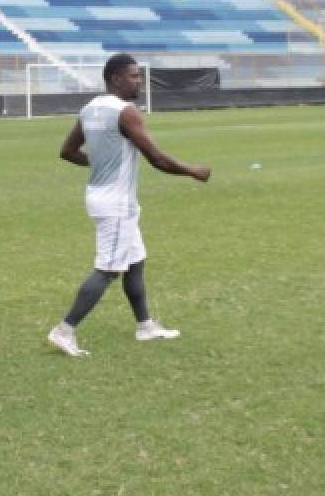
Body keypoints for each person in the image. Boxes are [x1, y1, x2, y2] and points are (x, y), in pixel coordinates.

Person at [48, 53, 211, 357]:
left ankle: (145, 325)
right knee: (108, 270)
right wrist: (193, 171)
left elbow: (67, 152)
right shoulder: (126, 112)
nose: (139, 80)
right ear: (115, 79)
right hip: (116, 203)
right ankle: (64, 330)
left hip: (100, 196)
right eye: (134, 76)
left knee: (135, 261)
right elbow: (157, 159)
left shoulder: (89, 109)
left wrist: (100, 163)